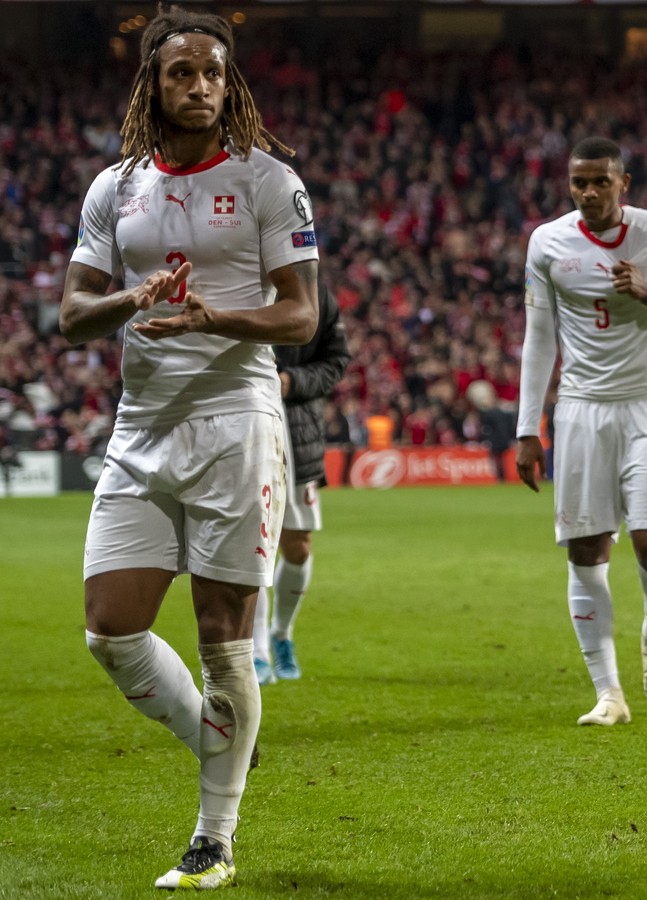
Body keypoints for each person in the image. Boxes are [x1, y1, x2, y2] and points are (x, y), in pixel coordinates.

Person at [58, 6, 318, 889]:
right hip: (142, 427)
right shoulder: (114, 187)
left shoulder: (267, 182)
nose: (199, 86)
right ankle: (223, 741)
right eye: (181, 73)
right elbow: (67, 317)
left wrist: (215, 317)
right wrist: (132, 300)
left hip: (236, 424)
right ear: (152, 83)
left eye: (212, 71)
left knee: (221, 643)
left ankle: (215, 837)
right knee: (109, 632)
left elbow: (302, 314)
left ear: (230, 80)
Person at [516, 137, 647, 726]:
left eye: (601, 181)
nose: (590, 192)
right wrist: (530, 427)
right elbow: (538, 335)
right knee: (586, 550)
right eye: (580, 183)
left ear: (623, 183)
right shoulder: (547, 242)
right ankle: (608, 694)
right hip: (581, 409)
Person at [252, 283, 350, 685]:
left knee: (298, 545)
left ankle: (281, 635)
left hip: (296, 434)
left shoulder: (317, 293)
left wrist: (292, 381)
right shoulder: (235, 276)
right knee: (248, 545)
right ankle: (255, 650)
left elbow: (336, 360)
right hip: (244, 426)